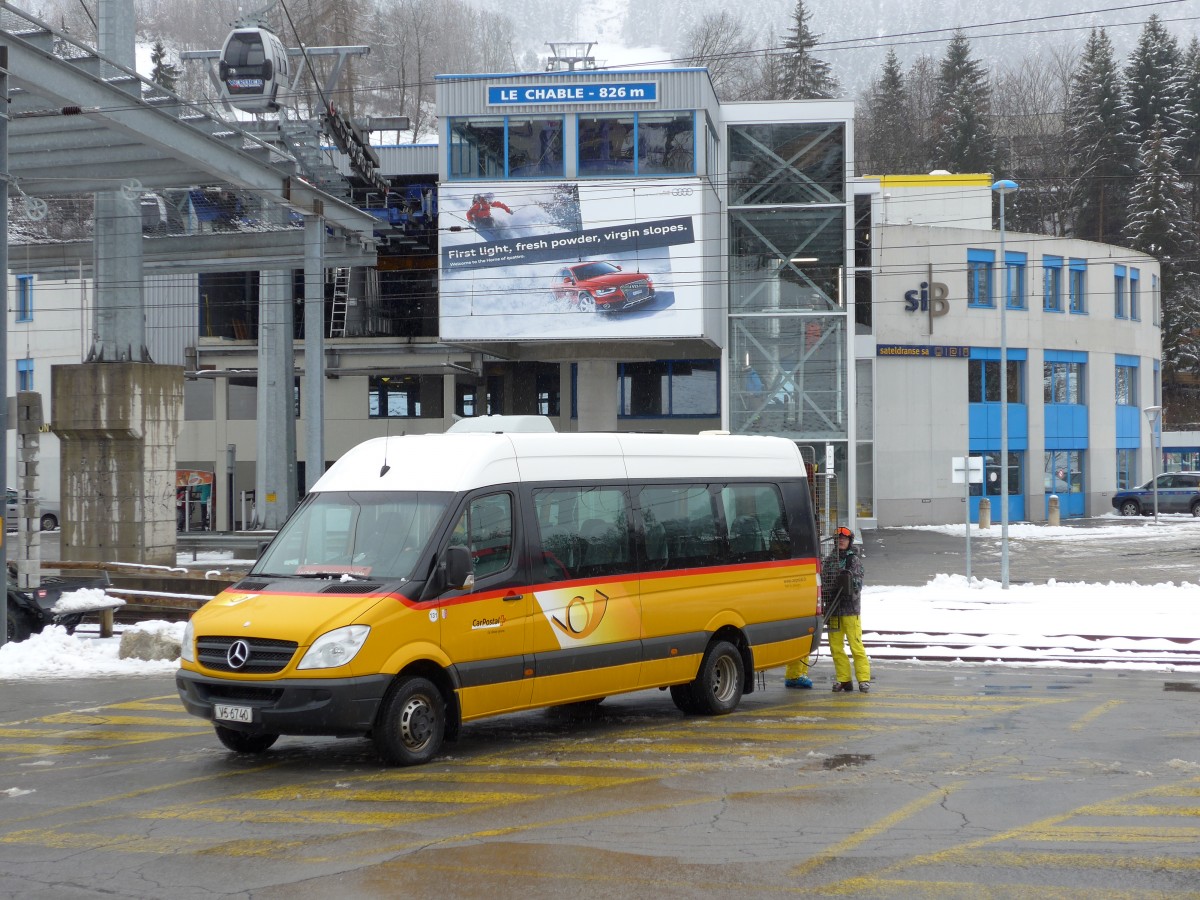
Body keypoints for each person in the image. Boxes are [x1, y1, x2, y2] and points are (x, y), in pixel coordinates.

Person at [824, 525, 870, 692]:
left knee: (856, 646)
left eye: (844, 539)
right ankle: (844, 679)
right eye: (838, 539)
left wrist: (845, 581)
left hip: (850, 610)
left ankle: (863, 679)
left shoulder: (854, 560)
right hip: (834, 610)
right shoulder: (830, 560)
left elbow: (857, 584)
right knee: (835, 647)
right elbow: (824, 581)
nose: (841, 541)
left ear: (849, 541)